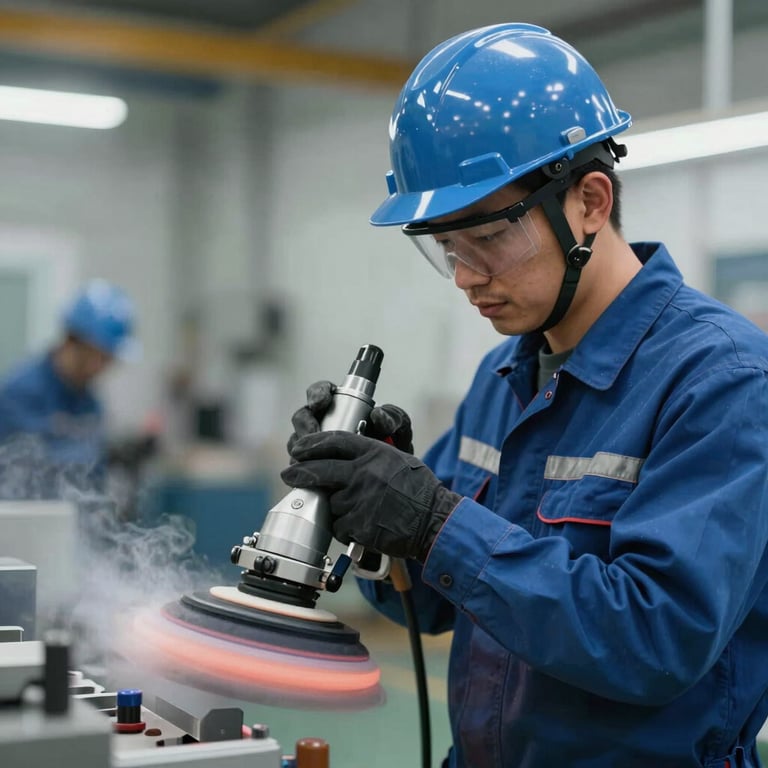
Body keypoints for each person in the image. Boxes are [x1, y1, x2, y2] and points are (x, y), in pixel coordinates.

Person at [281, 22, 768, 768]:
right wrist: (380, 505)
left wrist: (436, 522)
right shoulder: (505, 376)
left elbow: (656, 639)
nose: (467, 277)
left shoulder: (722, 381)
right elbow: (432, 600)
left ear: (590, 202)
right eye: (446, 248)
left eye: (488, 239)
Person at [0, 278, 138, 492]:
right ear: (76, 342)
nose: (106, 367)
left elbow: (94, 472)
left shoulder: (89, 400)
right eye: (103, 356)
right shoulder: (20, 392)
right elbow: (25, 466)